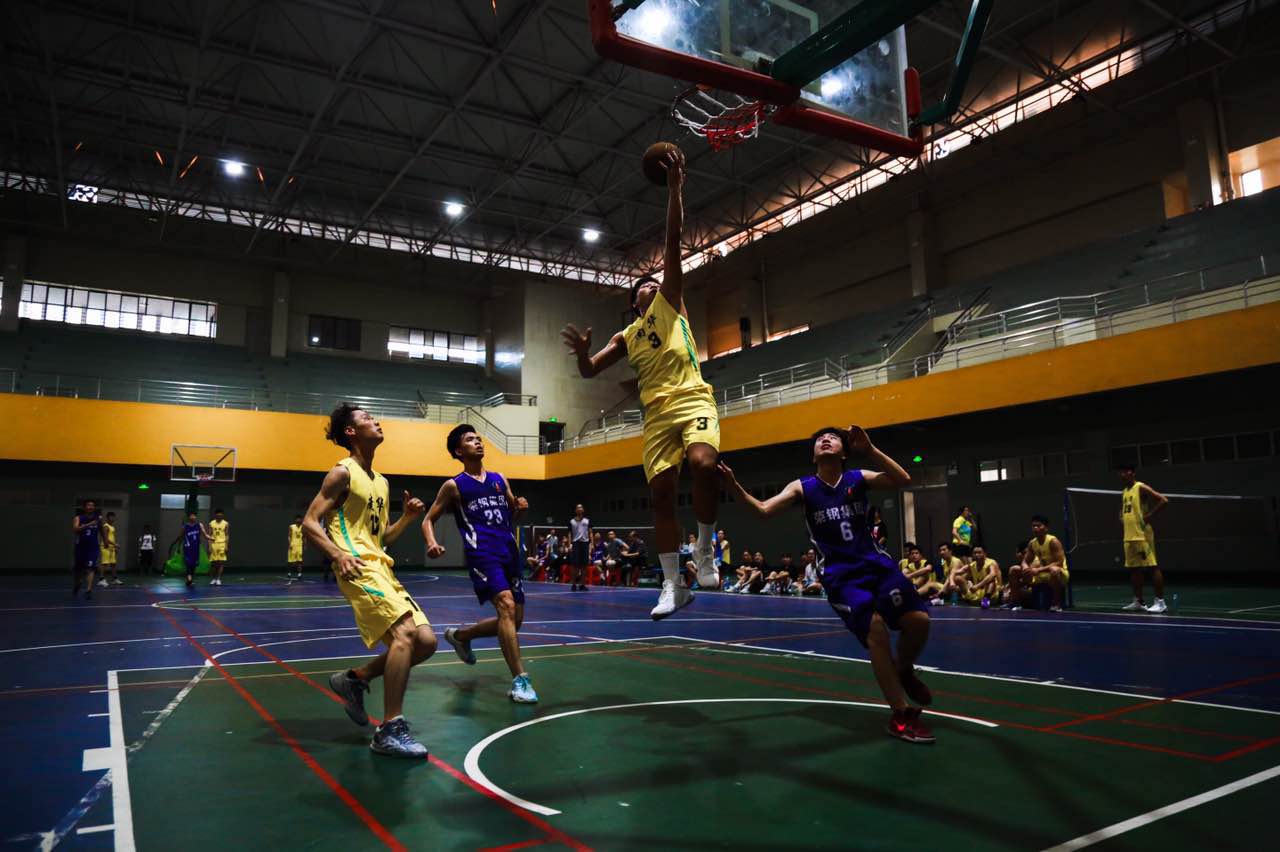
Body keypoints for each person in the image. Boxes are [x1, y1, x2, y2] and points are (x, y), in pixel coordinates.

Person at [562, 148, 721, 619]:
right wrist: (583, 354)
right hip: (655, 416)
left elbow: (672, 240)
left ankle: (705, 548)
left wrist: (675, 190)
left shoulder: (672, 303)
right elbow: (590, 372)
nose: (652, 284)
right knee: (662, 497)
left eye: (655, 281)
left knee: (704, 464)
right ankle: (673, 586)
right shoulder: (627, 336)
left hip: (691, 398)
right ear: (635, 303)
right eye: (643, 286)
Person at [719, 425, 934, 743]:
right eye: (820, 438)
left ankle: (903, 670)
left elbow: (903, 480)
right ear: (813, 455)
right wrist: (734, 486)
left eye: (833, 437)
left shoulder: (857, 478)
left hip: (876, 565)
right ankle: (901, 714)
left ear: (844, 452)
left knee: (918, 621)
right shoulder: (803, 487)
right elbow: (763, 510)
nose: (825, 439)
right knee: (875, 630)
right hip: (840, 575)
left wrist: (870, 450)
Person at [302, 403, 437, 757]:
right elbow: (310, 522)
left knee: (425, 642)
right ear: (351, 432)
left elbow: (382, 538)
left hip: (382, 566)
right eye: (366, 418)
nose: (376, 421)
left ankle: (356, 679)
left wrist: (407, 518)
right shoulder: (341, 473)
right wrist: (338, 555)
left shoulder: (381, 482)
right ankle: (389, 729)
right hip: (357, 566)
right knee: (405, 635)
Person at [424, 424, 537, 704]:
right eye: (470, 439)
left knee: (515, 620)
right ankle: (520, 680)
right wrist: (432, 543)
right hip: (482, 552)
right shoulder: (454, 485)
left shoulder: (500, 479)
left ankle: (462, 636)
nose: (478, 442)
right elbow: (428, 520)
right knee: (506, 606)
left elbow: (512, 516)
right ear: (458, 451)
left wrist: (520, 510)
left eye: (479, 438)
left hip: (509, 551)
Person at [1119, 464, 1170, 613]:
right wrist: (1121, 516)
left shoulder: (1140, 487)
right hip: (1129, 535)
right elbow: (1126, 509)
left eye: (1126, 471)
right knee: (1134, 569)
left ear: (1132, 473)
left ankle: (1160, 602)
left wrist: (1150, 515)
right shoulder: (1124, 491)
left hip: (1142, 535)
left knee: (1152, 567)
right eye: (1121, 472)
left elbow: (1163, 500)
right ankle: (1139, 601)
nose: (1123, 474)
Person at [1007, 515, 1069, 612]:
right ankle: (1016, 603)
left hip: (1059, 573)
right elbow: (1025, 561)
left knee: (1054, 570)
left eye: (1039, 526)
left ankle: (1056, 604)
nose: (1035, 528)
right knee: (1013, 569)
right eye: (1033, 526)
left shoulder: (1053, 541)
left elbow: (1059, 562)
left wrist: (1038, 570)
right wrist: (1025, 567)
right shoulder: (1032, 543)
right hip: (1041, 574)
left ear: (1046, 528)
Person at [72, 499, 103, 599]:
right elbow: (75, 529)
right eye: (88, 505)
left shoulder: (98, 519)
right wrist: (88, 524)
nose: (90, 507)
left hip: (92, 547)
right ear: (84, 507)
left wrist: (106, 542)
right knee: (78, 570)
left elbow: (102, 531)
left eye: (92, 505)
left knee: (90, 568)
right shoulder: (78, 518)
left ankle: (89, 590)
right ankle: (78, 583)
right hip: (80, 547)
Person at [171, 511, 205, 589]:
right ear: (189, 517)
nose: (193, 517)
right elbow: (181, 537)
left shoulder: (199, 525)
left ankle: (190, 579)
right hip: (187, 548)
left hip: (196, 548)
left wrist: (209, 538)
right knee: (188, 564)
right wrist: (178, 547)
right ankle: (189, 578)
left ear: (196, 517)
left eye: (194, 515)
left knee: (194, 565)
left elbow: (204, 535)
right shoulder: (185, 527)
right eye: (191, 516)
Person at [569, 504, 591, 591]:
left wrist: (592, 543)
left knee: (584, 565)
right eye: (578, 507)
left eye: (581, 507)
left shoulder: (587, 521)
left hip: (585, 543)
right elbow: (569, 533)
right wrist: (570, 544)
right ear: (575, 510)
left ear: (583, 510)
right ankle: (574, 584)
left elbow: (590, 532)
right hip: (576, 543)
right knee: (575, 565)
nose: (580, 509)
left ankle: (582, 585)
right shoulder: (571, 521)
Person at [205, 508, 229, 586]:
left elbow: (227, 535)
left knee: (221, 562)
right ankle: (213, 578)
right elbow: (209, 535)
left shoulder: (225, 523)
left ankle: (218, 579)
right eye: (218, 515)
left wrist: (226, 545)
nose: (219, 516)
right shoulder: (211, 523)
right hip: (214, 544)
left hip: (222, 544)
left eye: (221, 515)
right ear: (215, 515)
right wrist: (209, 546)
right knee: (213, 563)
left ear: (222, 515)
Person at [97, 512, 120, 586]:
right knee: (105, 563)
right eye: (110, 517)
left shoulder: (112, 527)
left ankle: (114, 579)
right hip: (105, 546)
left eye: (113, 517)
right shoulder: (106, 526)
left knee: (113, 563)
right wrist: (115, 544)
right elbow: (105, 538)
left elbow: (112, 537)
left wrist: (114, 546)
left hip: (111, 547)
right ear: (107, 518)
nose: (112, 518)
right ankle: (101, 580)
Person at [287, 515, 305, 580]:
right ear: (295, 520)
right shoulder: (291, 526)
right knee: (290, 561)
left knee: (300, 561)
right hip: (292, 546)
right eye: (297, 519)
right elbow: (289, 536)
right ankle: (289, 573)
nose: (299, 520)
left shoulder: (303, 527)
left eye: (300, 519)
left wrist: (305, 544)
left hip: (299, 546)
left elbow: (304, 536)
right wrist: (289, 544)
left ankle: (299, 574)